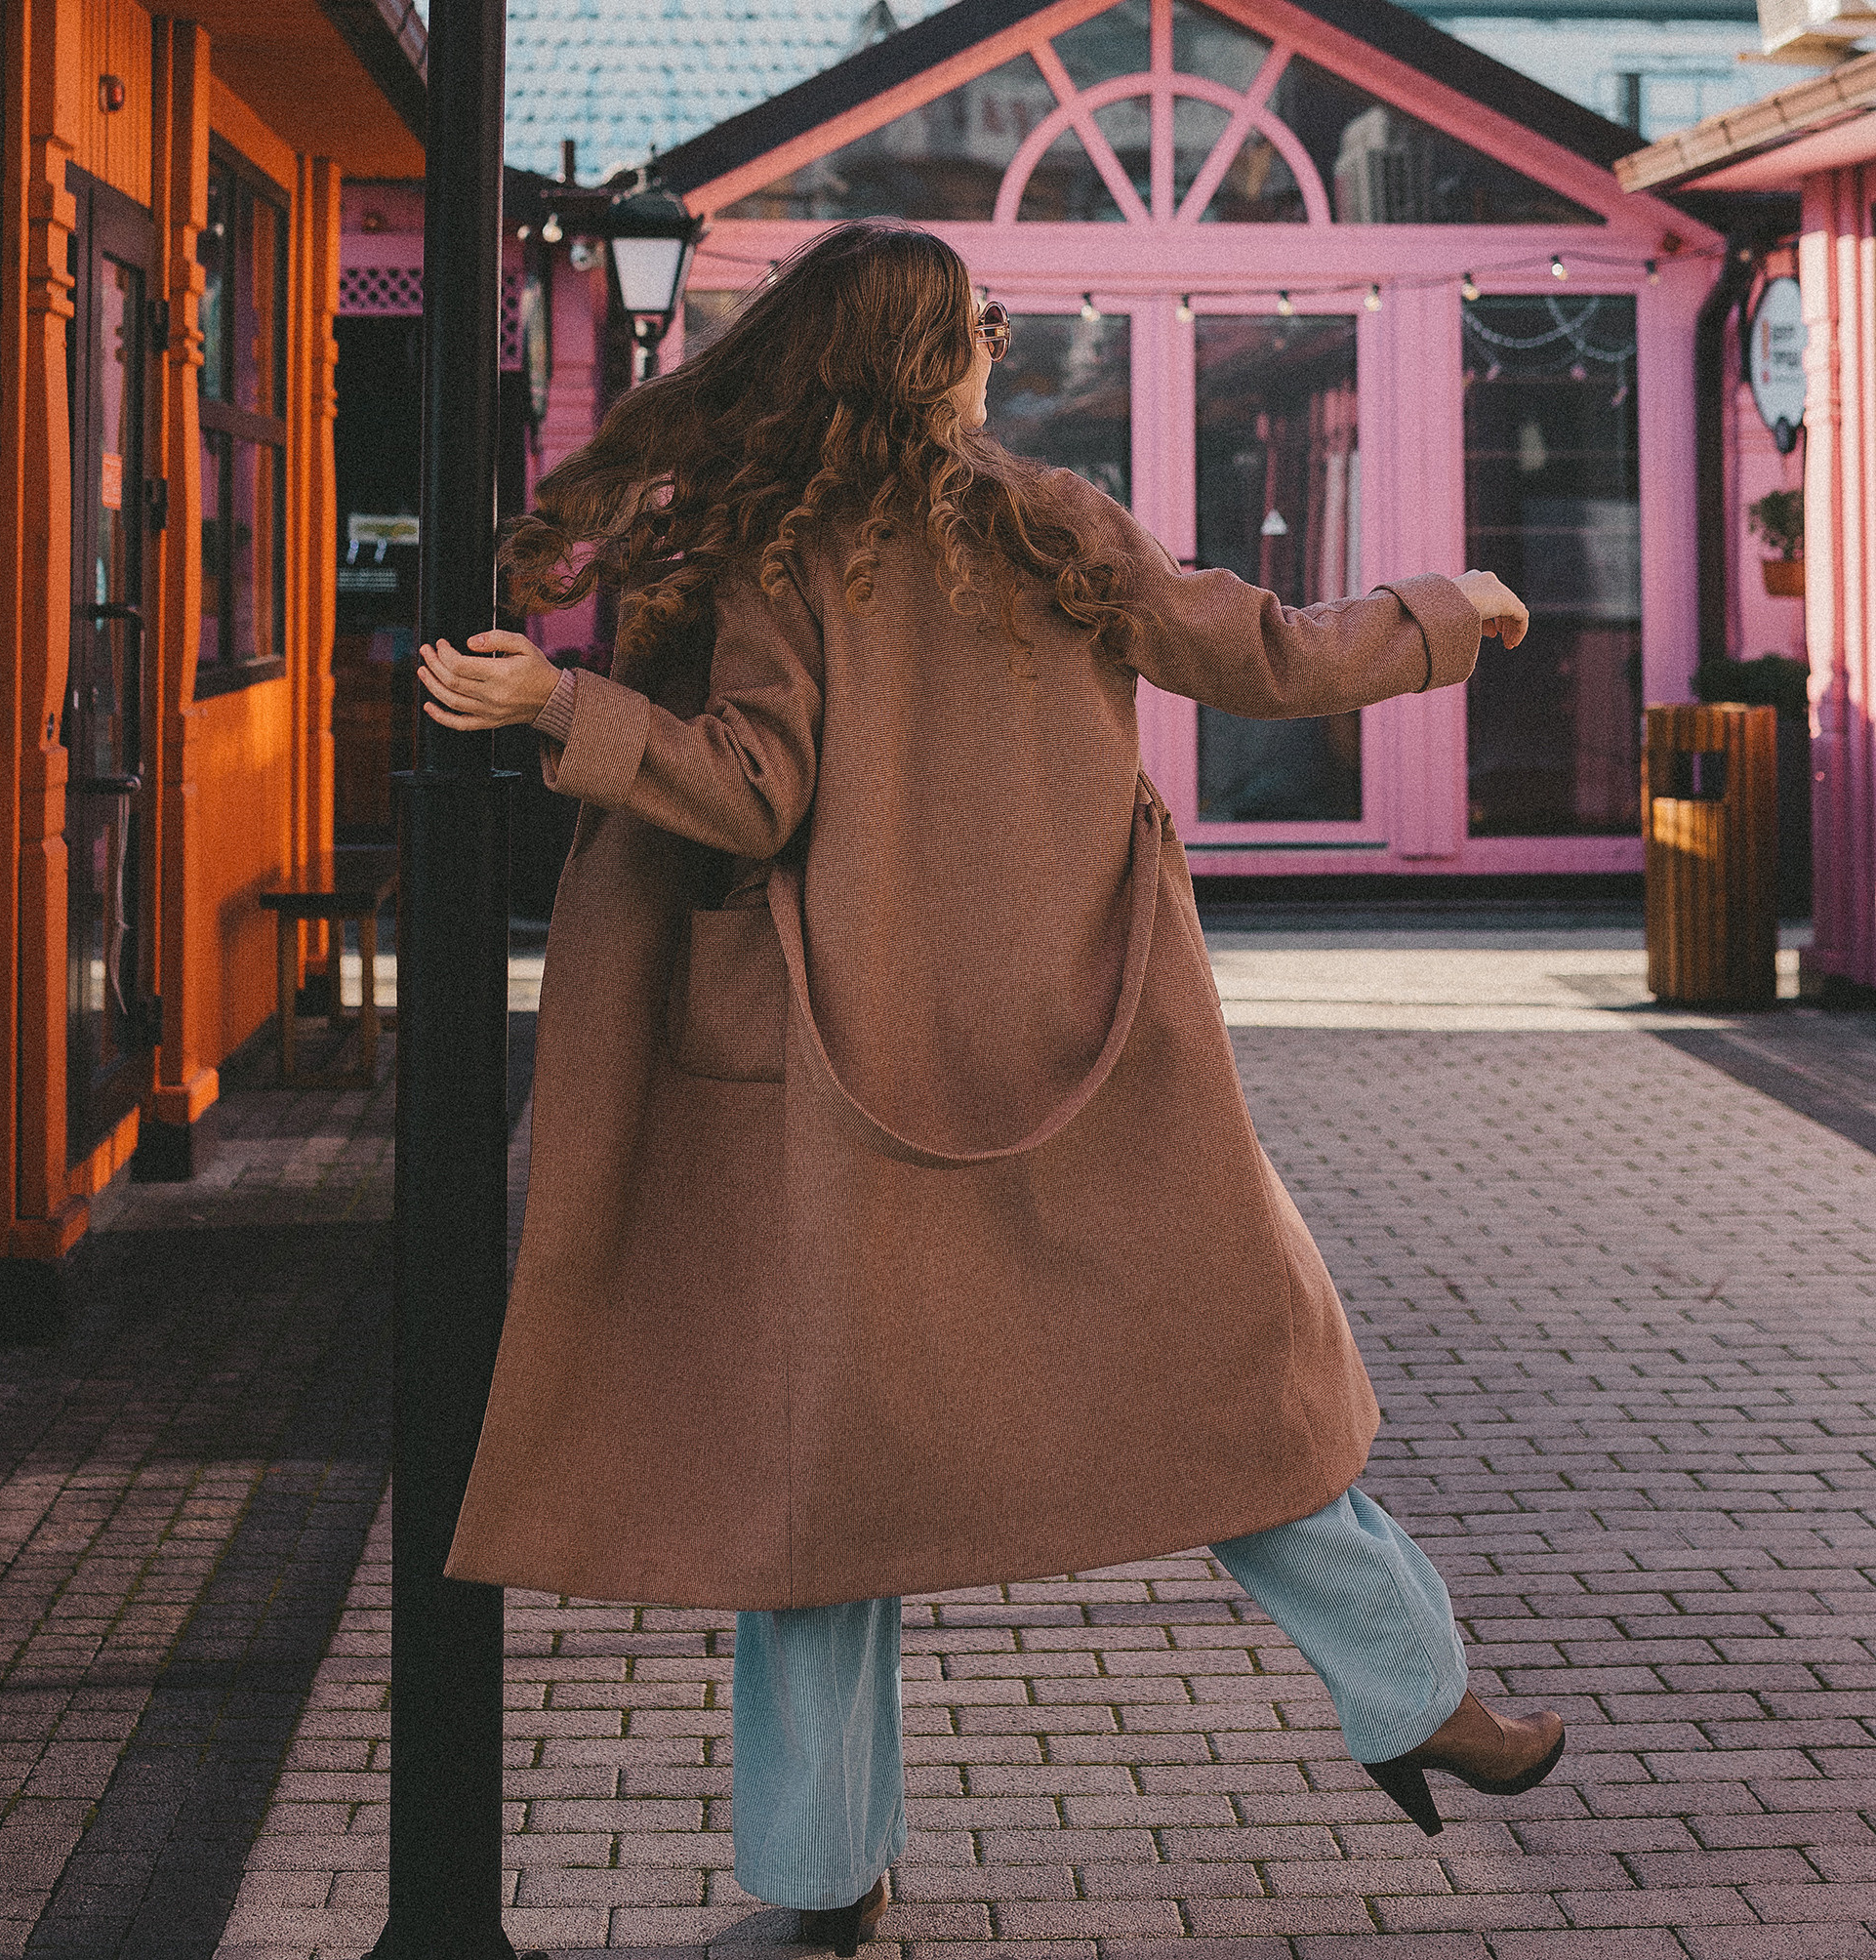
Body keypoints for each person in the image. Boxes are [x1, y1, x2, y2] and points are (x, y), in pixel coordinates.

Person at [422, 223, 1561, 1952]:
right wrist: (1443, 613)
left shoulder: (780, 561)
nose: (1000, 341)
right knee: (1224, 1379)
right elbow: (1264, 651)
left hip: (833, 1078)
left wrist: (560, 707)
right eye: (980, 320)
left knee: (827, 1487)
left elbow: (742, 794)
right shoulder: (1044, 524)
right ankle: (1417, 1699)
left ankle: (822, 1888)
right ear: (920, 356)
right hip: (1084, 1049)